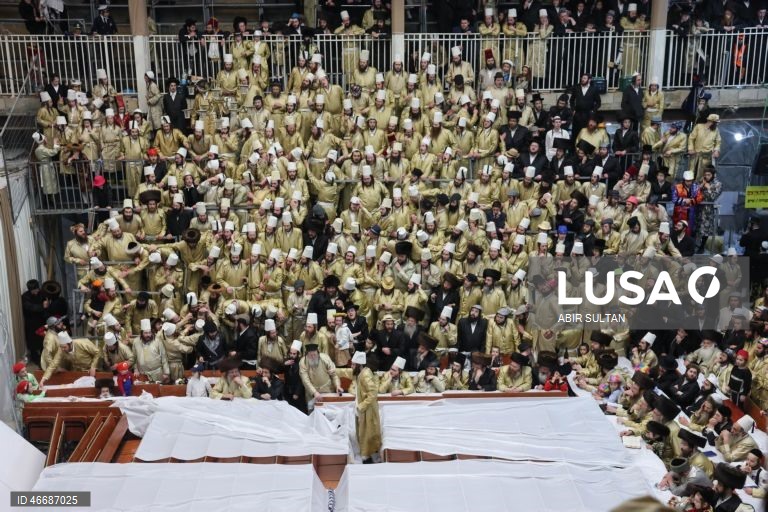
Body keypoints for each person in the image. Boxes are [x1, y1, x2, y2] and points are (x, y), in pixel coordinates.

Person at [351, 350, 381, 463]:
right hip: (363, 408)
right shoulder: (363, 372)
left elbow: (373, 392)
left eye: (353, 364)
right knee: (363, 432)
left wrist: (362, 406)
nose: (351, 366)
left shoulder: (365, 374)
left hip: (367, 410)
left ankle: (369, 457)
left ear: (359, 365)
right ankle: (366, 455)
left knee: (368, 433)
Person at [299, 343, 342, 409]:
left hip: (327, 389)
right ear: (306, 355)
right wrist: (314, 392)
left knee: (328, 412)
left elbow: (334, 375)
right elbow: (305, 380)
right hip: (312, 392)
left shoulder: (325, 358)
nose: (313, 357)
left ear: (318, 353)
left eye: (314, 355)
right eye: (310, 355)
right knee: (313, 413)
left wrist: (337, 386)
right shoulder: (303, 362)